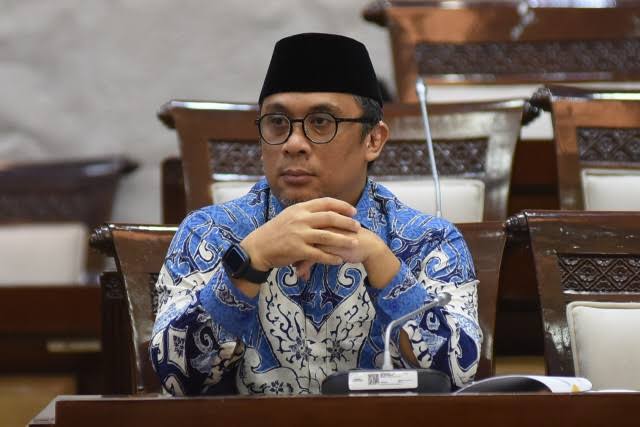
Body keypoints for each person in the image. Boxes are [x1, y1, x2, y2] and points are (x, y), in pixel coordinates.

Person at [150, 33, 481, 395]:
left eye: (321, 122)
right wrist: (250, 261)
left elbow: (457, 376)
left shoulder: (429, 241)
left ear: (373, 140)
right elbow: (176, 377)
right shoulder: (210, 233)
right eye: (277, 122)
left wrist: (382, 262)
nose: (293, 143)